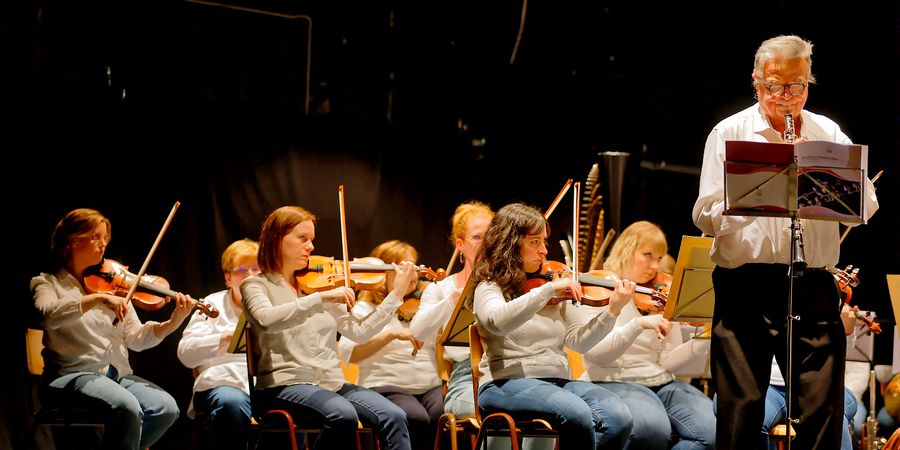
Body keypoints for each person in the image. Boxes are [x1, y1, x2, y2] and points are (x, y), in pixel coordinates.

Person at [692, 35, 879, 449]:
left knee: (823, 410)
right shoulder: (729, 131)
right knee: (740, 410)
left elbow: (867, 205)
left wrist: (818, 173)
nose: (786, 97)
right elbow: (703, 215)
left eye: (796, 87)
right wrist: (751, 193)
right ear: (757, 83)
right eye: (775, 86)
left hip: (812, 284)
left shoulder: (827, 131)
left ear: (808, 84)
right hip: (745, 287)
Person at [240, 205, 416, 450]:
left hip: (331, 383)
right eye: (302, 239)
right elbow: (266, 319)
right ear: (277, 239)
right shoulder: (255, 285)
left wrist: (396, 294)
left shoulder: (320, 284)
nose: (311, 247)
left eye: (312, 239)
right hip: (283, 385)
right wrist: (320, 299)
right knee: (341, 414)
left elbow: (359, 332)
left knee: (394, 416)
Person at [470, 202, 634, 449]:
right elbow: (497, 321)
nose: (544, 251)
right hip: (503, 383)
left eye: (544, 242)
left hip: (556, 381)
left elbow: (579, 341)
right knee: (576, 414)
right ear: (510, 244)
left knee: (619, 416)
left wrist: (613, 309)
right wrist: (546, 291)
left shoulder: (554, 287)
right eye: (535, 242)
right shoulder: (490, 286)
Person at [31, 208, 192, 450]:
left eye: (105, 238)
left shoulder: (112, 286)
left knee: (165, 409)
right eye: (96, 236)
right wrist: (95, 300)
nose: (103, 243)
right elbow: (47, 315)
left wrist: (173, 323)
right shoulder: (47, 283)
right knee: (127, 407)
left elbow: (136, 338)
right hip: (69, 377)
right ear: (72, 240)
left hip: (115, 376)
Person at [580, 221, 715, 450]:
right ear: (626, 250)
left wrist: (705, 336)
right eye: (648, 255)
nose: (654, 266)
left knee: (711, 433)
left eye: (660, 258)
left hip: (661, 381)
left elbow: (669, 361)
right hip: (614, 381)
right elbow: (595, 355)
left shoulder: (661, 293)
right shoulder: (599, 287)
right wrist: (639, 324)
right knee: (651, 432)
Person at [338, 240, 443, 450]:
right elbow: (350, 354)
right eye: (403, 269)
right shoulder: (365, 308)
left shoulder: (426, 304)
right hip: (385, 385)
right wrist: (392, 334)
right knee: (415, 416)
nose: (412, 276)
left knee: (442, 415)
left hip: (429, 385)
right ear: (383, 273)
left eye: (413, 268)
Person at [410, 201, 494, 420]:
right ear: (460, 244)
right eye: (477, 237)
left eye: (491, 235)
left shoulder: (508, 284)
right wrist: (451, 301)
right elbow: (417, 331)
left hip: (504, 371)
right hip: (466, 378)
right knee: (496, 412)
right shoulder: (442, 289)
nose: (486, 243)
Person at [177, 238, 261, 450]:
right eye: (242, 270)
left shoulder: (273, 305)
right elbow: (185, 354)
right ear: (228, 278)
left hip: (264, 386)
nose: (250, 276)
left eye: (256, 269)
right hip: (223, 384)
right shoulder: (211, 304)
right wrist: (224, 338)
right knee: (232, 403)